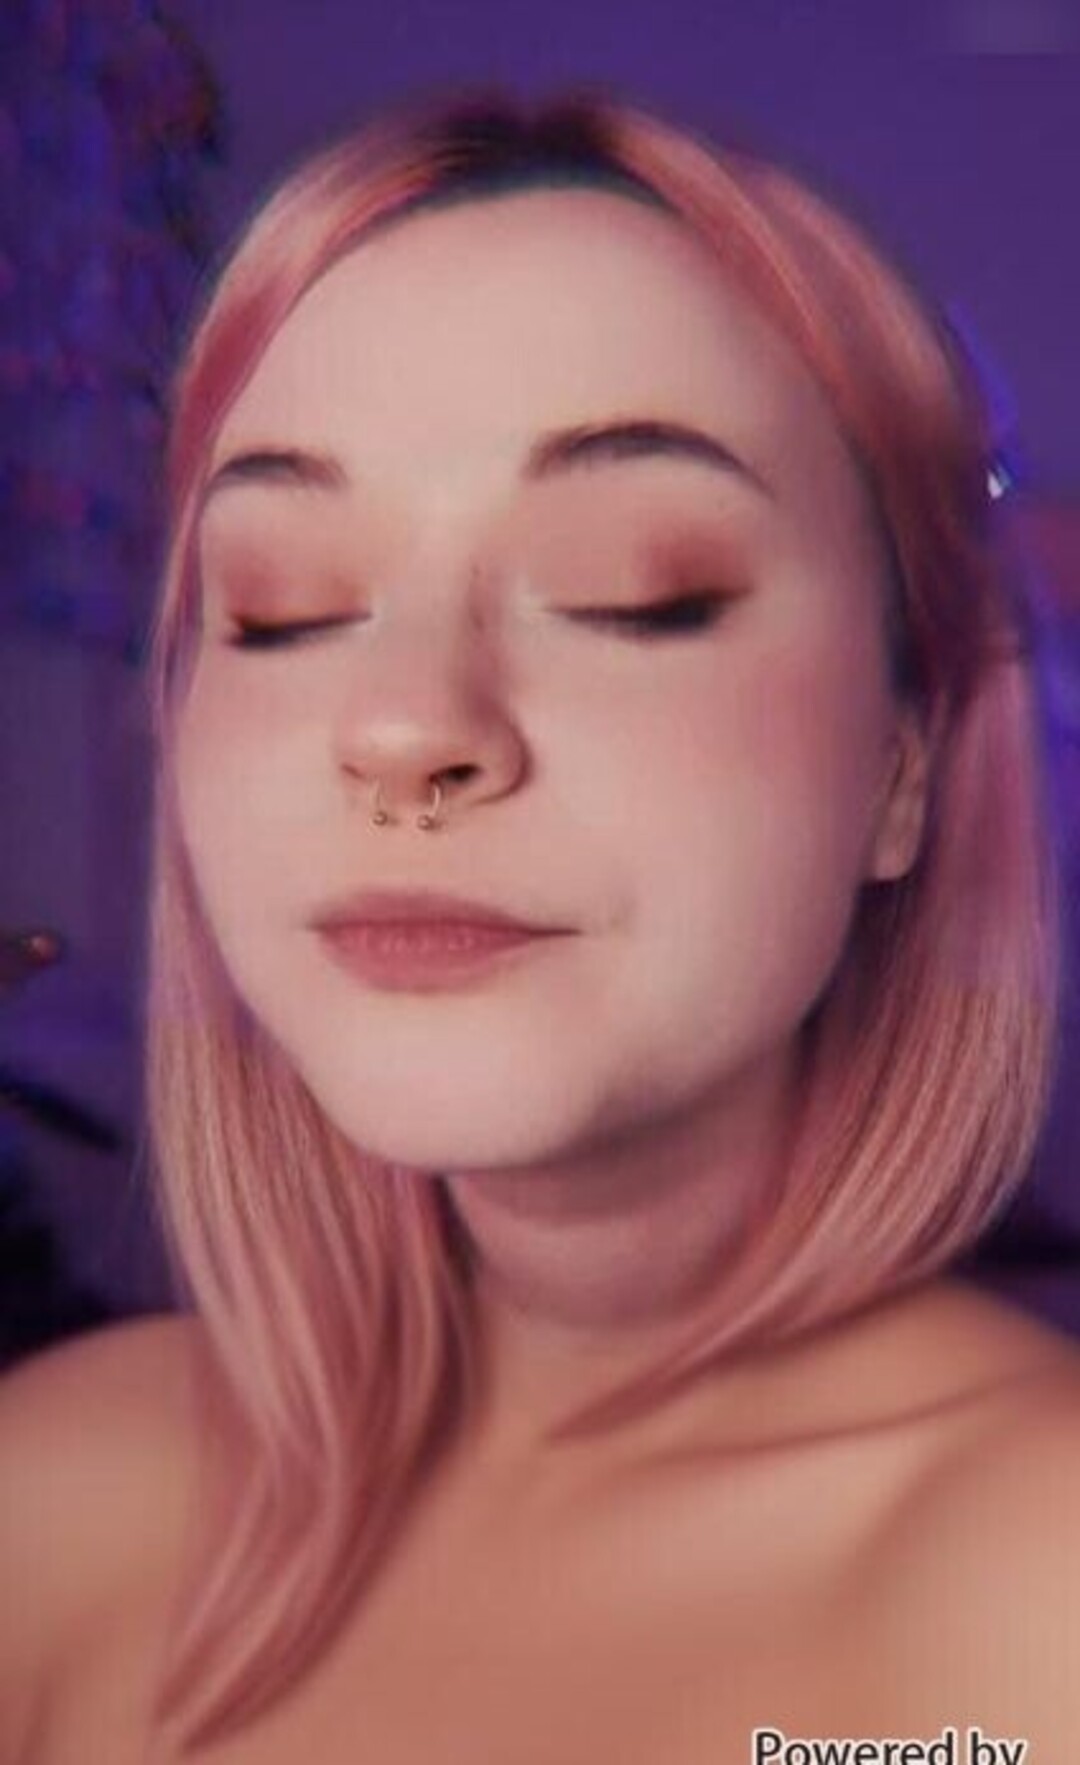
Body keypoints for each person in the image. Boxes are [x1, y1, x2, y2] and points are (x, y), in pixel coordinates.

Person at [3, 83, 1080, 1765]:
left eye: (636, 593)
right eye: (279, 606)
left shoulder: (1035, 1591)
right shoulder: (48, 1485)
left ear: (902, 766)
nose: (404, 723)